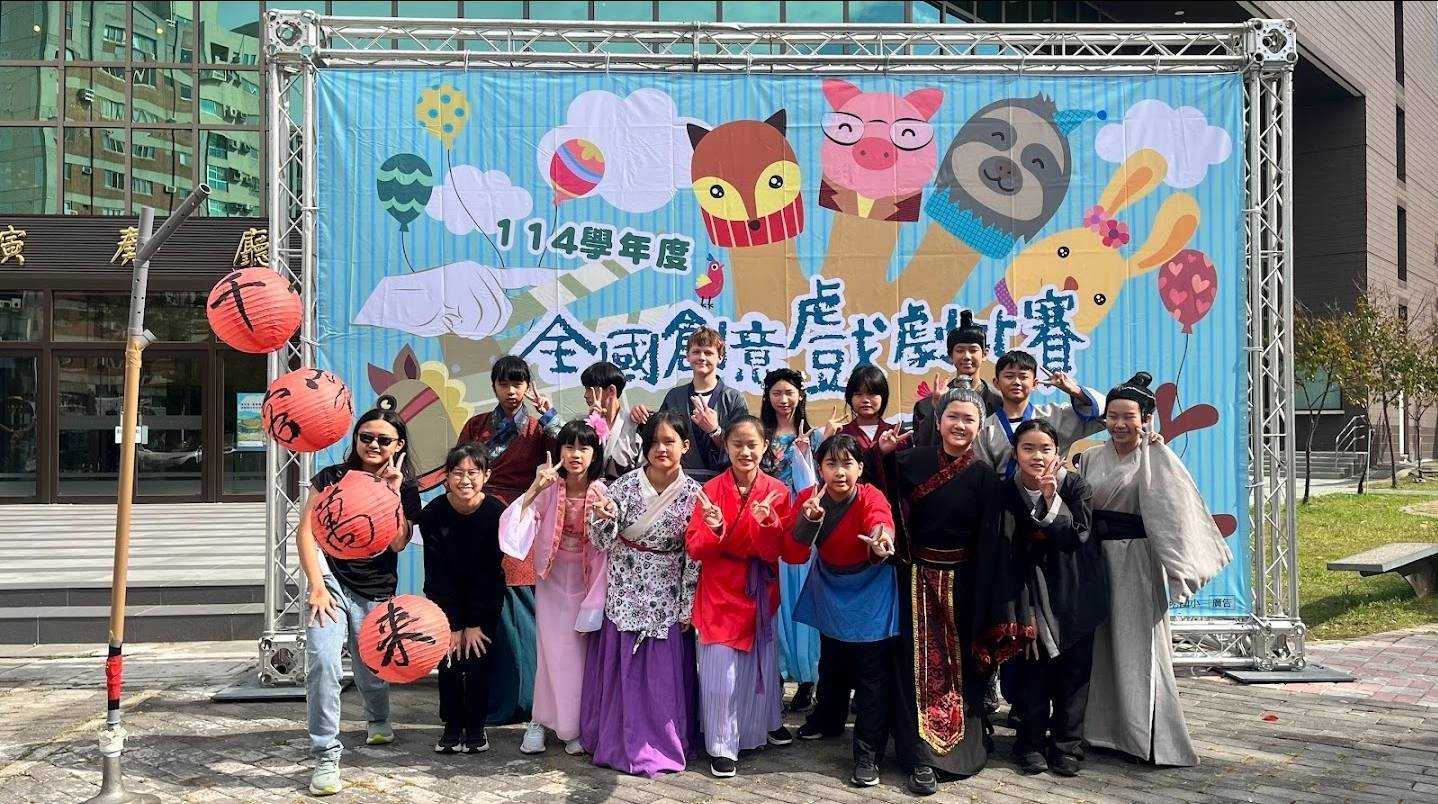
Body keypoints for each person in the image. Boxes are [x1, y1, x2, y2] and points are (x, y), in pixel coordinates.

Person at [874, 378, 1028, 796]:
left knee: (962, 670)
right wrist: (879, 457)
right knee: (914, 669)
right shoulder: (910, 460)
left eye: (969, 419)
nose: (960, 425)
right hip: (915, 579)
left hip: (964, 586)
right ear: (939, 421)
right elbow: (877, 495)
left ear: (980, 426)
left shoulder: (985, 477)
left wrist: (989, 599)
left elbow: (993, 541)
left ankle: (963, 749)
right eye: (953, 417)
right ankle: (919, 758)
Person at [1080, 372, 1232, 768]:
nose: (1119, 424)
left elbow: (1175, 513)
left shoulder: (1157, 455)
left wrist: (1180, 568)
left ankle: (1144, 736)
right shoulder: (1090, 457)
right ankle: (1099, 731)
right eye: (1112, 415)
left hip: (1136, 561)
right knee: (1099, 646)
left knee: (1139, 646)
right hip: (1095, 559)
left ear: (1145, 419)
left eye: (1128, 416)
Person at [297, 410, 421, 797]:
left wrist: (394, 492)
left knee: (372, 671)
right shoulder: (330, 478)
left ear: (398, 445)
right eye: (366, 437)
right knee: (323, 662)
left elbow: (398, 543)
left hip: (376, 589)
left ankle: (378, 717)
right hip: (331, 584)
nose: (373, 445)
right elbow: (305, 532)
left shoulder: (405, 487)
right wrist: (317, 585)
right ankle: (325, 755)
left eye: (384, 440)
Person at [580, 410, 703, 777]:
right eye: (653, 442)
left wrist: (687, 607)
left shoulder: (695, 495)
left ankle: (663, 743)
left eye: (669, 442)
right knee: (625, 671)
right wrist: (603, 518)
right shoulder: (623, 486)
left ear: (685, 446)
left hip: (668, 591)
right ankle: (619, 740)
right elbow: (601, 542)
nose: (661, 449)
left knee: (662, 676)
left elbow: (694, 555)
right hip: (625, 587)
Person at [780, 434, 899, 788]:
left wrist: (881, 538)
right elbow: (793, 554)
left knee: (871, 674)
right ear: (820, 468)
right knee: (831, 659)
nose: (840, 472)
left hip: (871, 589)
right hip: (830, 584)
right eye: (831, 464)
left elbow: (880, 521)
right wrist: (808, 521)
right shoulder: (809, 498)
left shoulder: (870, 496)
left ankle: (868, 753)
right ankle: (828, 719)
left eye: (847, 464)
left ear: (860, 468)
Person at [454, 355, 560, 728]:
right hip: (479, 519)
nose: (511, 391)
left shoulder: (538, 428)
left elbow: (570, 453)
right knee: (484, 607)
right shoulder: (476, 425)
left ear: (528, 386)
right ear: (494, 386)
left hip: (522, 520)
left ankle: (528, 699)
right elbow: (460, 471)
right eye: (504, 384)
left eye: (518, 384)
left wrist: (549, 416)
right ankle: (491, 699)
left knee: (521, 604)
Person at [687, 414, 795, 778]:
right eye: (737, 444)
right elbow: (695, 547)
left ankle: (754, 730)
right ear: (727, 447)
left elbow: (779, 549)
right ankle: (721, 745)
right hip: (720, 586)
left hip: (759, 586)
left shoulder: (777, 491)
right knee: (721, 673)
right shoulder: (710, 490)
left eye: (752, 444)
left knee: (759, 665)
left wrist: (767, 524)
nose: (745, 452)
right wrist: (715, 527)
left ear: (765, 447)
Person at [1001, 420, 1106, 777]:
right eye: (1028, 448)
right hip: (1028, 592)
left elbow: (1077, 535)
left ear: (1057, 452)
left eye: (1045, 449)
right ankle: (1030, 743)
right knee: (1032, 672)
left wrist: (1050, 498)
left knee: (1074, 674)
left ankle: (1067, 745)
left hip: (1074, 590)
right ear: (1015, 453)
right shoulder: (1006, 491)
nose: (1037, 456)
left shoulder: (1075, 486)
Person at [498, 420, 608, 756]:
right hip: (552, 578)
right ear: (559, 451)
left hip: (588, 583)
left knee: (578, 655)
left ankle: (572, 726)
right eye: (569, 446)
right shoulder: (548, 488)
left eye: (584, 448)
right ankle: (540, 721)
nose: (576, 454)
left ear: (594, 454)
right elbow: (515, 529)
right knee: (549, 651)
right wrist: (534, 488)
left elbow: (610, 543)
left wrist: (607, 517)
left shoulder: (603, 492)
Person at [421, 444, 508, 756]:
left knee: (478, 660)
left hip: (485, 602)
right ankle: (451, 725)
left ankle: (476, 727)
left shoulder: (496, 512)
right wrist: (454, 625)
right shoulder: (433, 513)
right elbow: (437, 572)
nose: (465, 480)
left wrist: (472, 623)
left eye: (473, 472)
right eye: (458, 473)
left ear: (486, 476)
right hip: (444, 602)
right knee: (448, 661)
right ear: (447, 477)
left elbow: (490, 573)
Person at [759, 368, 821, 713]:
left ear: (800, 395)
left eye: (789, 393)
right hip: (770, 524)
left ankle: (808, 678)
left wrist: (804, 454)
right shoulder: (761, 436)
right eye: (776, 393)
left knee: (801, 599)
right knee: (776, 602)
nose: (783, 400)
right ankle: (779, 675)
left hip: (801, 527)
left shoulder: (815, 436)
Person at [629, 326, 748, 484]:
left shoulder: (734, 398)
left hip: (724, 482)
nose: (702, 357)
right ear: (688, 356)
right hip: (680, 482)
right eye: (696, 352)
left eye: (708, 353)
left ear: (720, 357)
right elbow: (658, 434)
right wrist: (641, 418)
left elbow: (744, 446)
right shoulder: (675, 396)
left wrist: (715, 431)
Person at [974, 349, 1103, 480]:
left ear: (1035, 384)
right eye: (1009, 376)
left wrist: (1075, 391)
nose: (1016, 382)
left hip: (1052, 491)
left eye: (1023, 377)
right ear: (996, 383)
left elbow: (1105, 414)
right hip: (1000, 492)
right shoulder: (985, 428)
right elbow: (983, 476)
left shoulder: (1055, 416)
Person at [910, 310, 1003, 448]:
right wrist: (936, 408)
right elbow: (923, 446)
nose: (967, 356)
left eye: (973, 350)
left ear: (984, 354)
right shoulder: (926, 406)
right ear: (950, 356)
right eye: (960, 350)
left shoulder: (998, 402)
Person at [581, 361, 643, 482]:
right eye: (586, 389)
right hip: (590, 492)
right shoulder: (585, 423)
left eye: (590, 389)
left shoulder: (635, 425)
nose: (585, 395)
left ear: (611, 391)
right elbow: (567, 445)